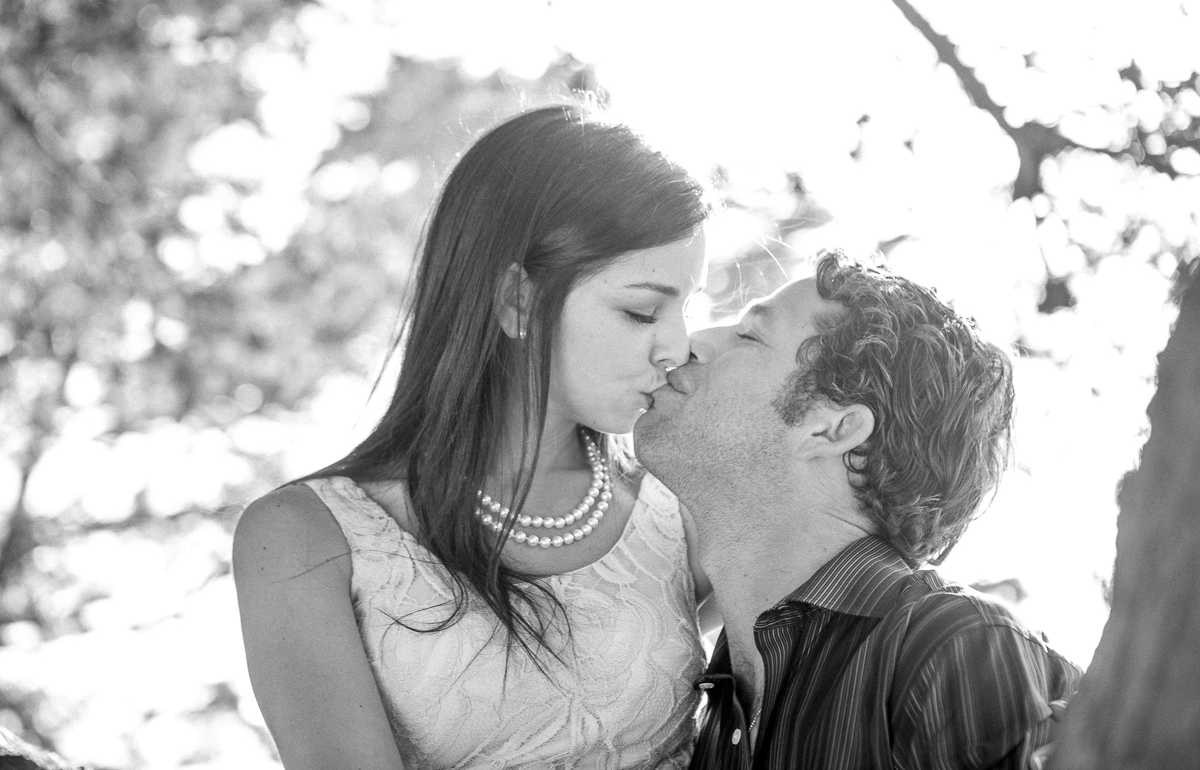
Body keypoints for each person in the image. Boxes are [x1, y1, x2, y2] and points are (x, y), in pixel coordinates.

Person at [232, 103, 713, 769]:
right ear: (517, 299)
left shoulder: (682, 505)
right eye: (642, 311)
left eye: (687, 307)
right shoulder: (305, 538)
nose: (677, 348)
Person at [635, 251, 1082, 769]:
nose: (692, 341)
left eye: (749, 335)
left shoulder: (956, 646)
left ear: (833, 429)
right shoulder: (713, 699)